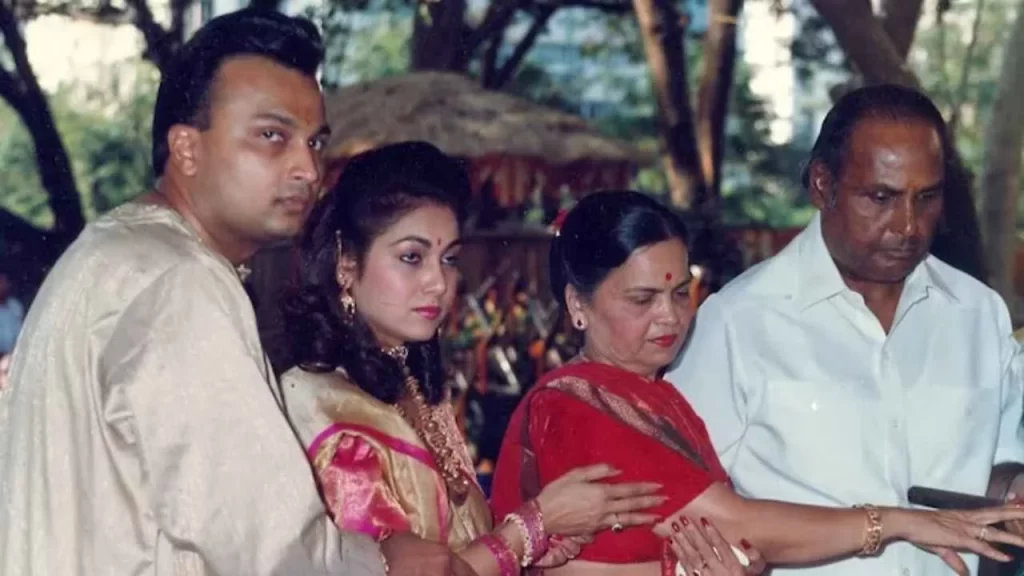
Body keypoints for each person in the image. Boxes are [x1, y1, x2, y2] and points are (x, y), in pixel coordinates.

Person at [0, 9, 401, 575]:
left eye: (314, 142)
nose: (309, 169)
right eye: (272, 136)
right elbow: (268, 549)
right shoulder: (178, 281)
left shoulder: (115, 252)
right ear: (186, 149)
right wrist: (384, 560)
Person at [489, 190, 1024, 576]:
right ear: (578, 303)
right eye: (642, 299)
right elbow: (733, 521)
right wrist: (897, 523)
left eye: (679, 293)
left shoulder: (657, 396)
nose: (669, 317)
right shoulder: (579, 406)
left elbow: (722, 542)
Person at [668, 84, 1024, 576]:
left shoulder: (978, 313)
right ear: (822, 186)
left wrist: (1013, 489)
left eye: (926, 198)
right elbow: (677, 499)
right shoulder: (738, 322)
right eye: (881, 197)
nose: (907, 225)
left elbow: (997, 466)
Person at [279, 142, 666, 575]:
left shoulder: (414, 384)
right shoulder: (322, 408)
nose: (438, 282)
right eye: (411, 257)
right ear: (347, 263)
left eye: (448, 259)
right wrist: (537, 524)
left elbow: (462, 544)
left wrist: (537, 546)